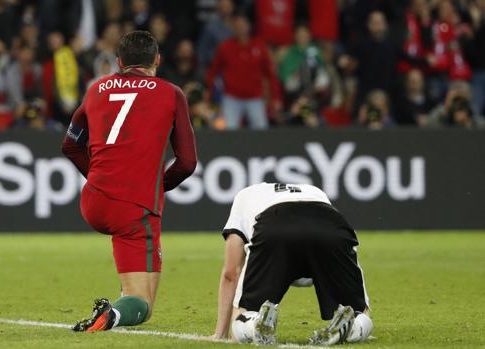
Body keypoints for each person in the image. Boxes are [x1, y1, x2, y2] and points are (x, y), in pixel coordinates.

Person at [61, 30, 197, 332]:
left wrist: (99, 177)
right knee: (143, 304)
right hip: (133, 208)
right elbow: (187, 163)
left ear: (119, 61)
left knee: (132, 291)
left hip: (93, 198)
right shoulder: (171, 93)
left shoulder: (96, 89)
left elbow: (70, 144)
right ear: (157, 60)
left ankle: (118, 305)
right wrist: (156, 185)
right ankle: (112, 313)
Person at [212, 183, 373, 345]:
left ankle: (255, 324)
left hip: (275, 227)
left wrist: (220, 333)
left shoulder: (244, 195)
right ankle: (352, 327)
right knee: (358, 313)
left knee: (242, 320)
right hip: (331, 228)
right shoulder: (314, 190)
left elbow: (231, 273)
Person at [206, 13, 281, 130]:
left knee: (261, 133)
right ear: (233, 27)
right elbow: (212, 72)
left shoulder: (260, 46)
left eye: (242, 25)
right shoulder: (225, 47)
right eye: (237, 25)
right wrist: (210, 94)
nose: (240, 28)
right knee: (228, 133)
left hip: (255, 98)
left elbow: (270, 75)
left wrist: (276, 98)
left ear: (248, 26)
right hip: (231, 98)